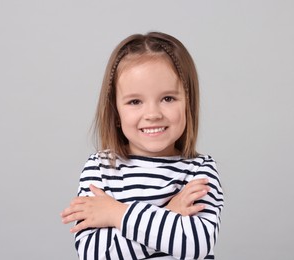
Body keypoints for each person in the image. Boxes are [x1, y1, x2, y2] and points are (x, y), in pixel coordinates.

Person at [61, 31, 224, 260]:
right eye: (135, 102)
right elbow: (94, 254)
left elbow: (196, 244)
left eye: (168, 98)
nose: (152, 114)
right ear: (115, 111)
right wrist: (169, 213)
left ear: (188, 103)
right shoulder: (100, 168)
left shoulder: (199, 170)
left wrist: (116, 214)